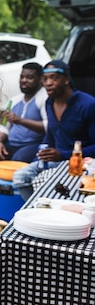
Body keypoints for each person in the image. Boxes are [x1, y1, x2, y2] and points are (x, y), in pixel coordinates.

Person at [12, 60, 95, 201]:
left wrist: (63, 154)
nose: (48, 83)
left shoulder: (88, 104)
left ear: (66, 79)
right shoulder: (49, 103)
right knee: (21, 177)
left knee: (44, 182)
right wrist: (38, 158)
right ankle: (38, 212)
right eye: (44, 79)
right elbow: (50, 137)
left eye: (54, 78)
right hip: (56, 161)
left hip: (82, 165)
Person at [0, 62, 48, 174]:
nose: (24, 80)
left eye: (29, 77)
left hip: (33, 145)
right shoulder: (13, 101)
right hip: (10, 143)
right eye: (22, 77)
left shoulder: (45, 99)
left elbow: (48, 126)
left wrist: (20, 121)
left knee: (17, 160)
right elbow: (2, 126)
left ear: (40, 79)